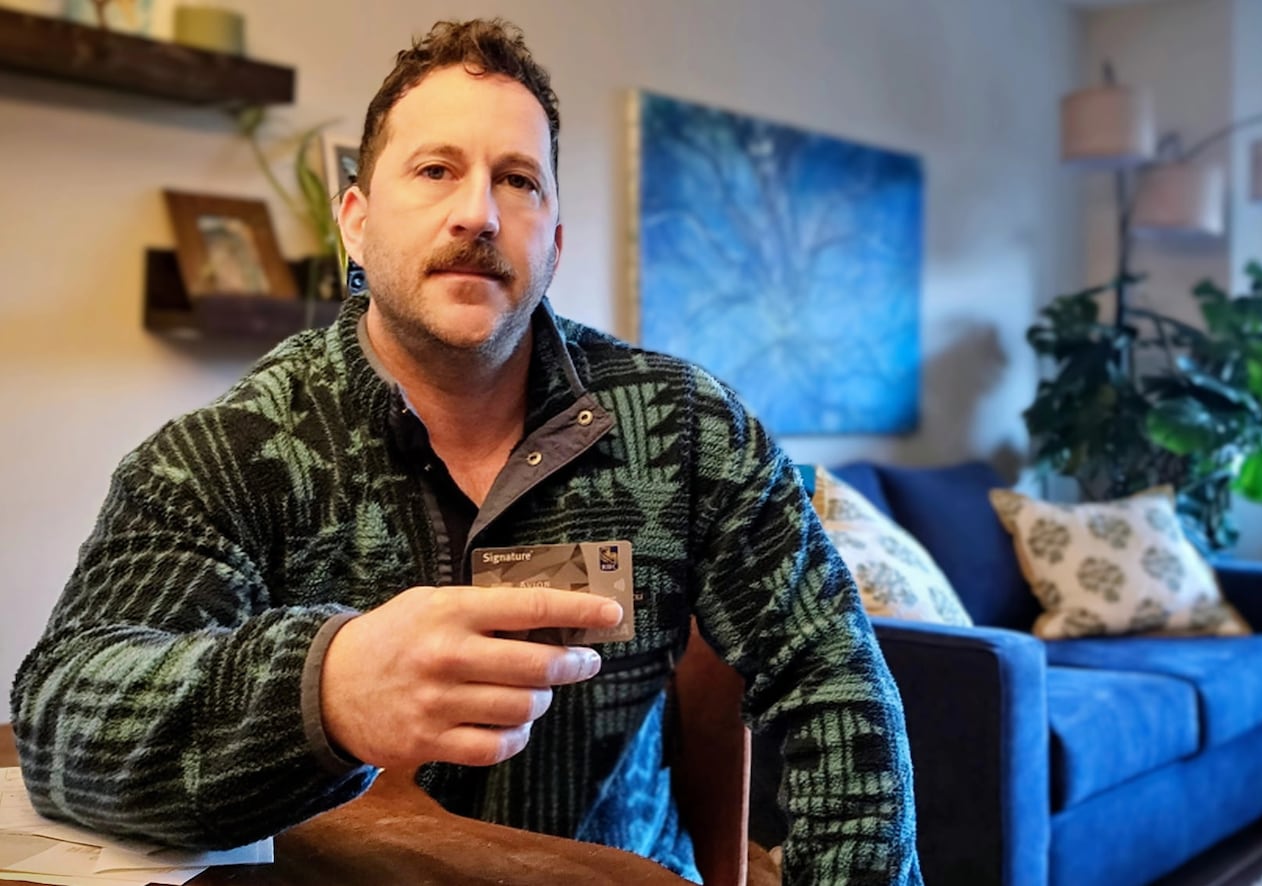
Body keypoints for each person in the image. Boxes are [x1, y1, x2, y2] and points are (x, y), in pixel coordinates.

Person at [11, 18, 920, 885]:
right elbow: (62, 718)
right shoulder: (233, 452)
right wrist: (325, 686)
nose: (478, 213)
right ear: (356, 223)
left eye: (518, 180)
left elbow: (834, 681)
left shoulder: (686, 427)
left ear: (555, 241)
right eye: (436, 169)